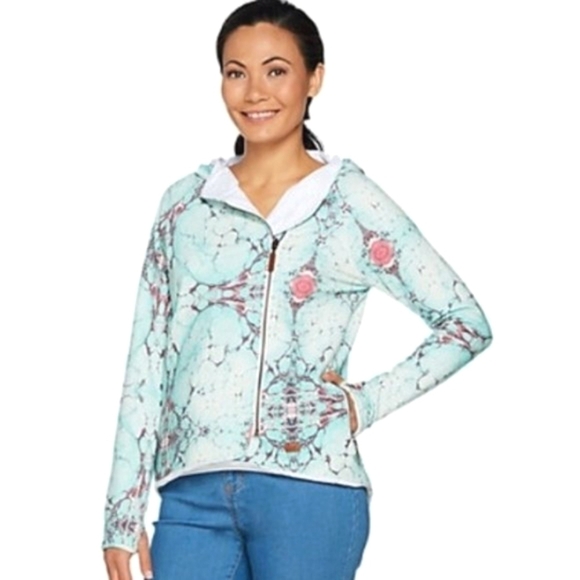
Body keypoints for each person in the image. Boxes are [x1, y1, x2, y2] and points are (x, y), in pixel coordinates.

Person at [102, 1, 494, 578]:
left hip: (311, 491)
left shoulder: (349, 202)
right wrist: (122, 508)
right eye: (236, 72)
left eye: (276, 70)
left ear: (314, 79)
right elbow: (148, 358)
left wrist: (362, 403)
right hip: (190, 495)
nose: (255, 92)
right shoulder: (185, 205)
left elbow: (465, 323)